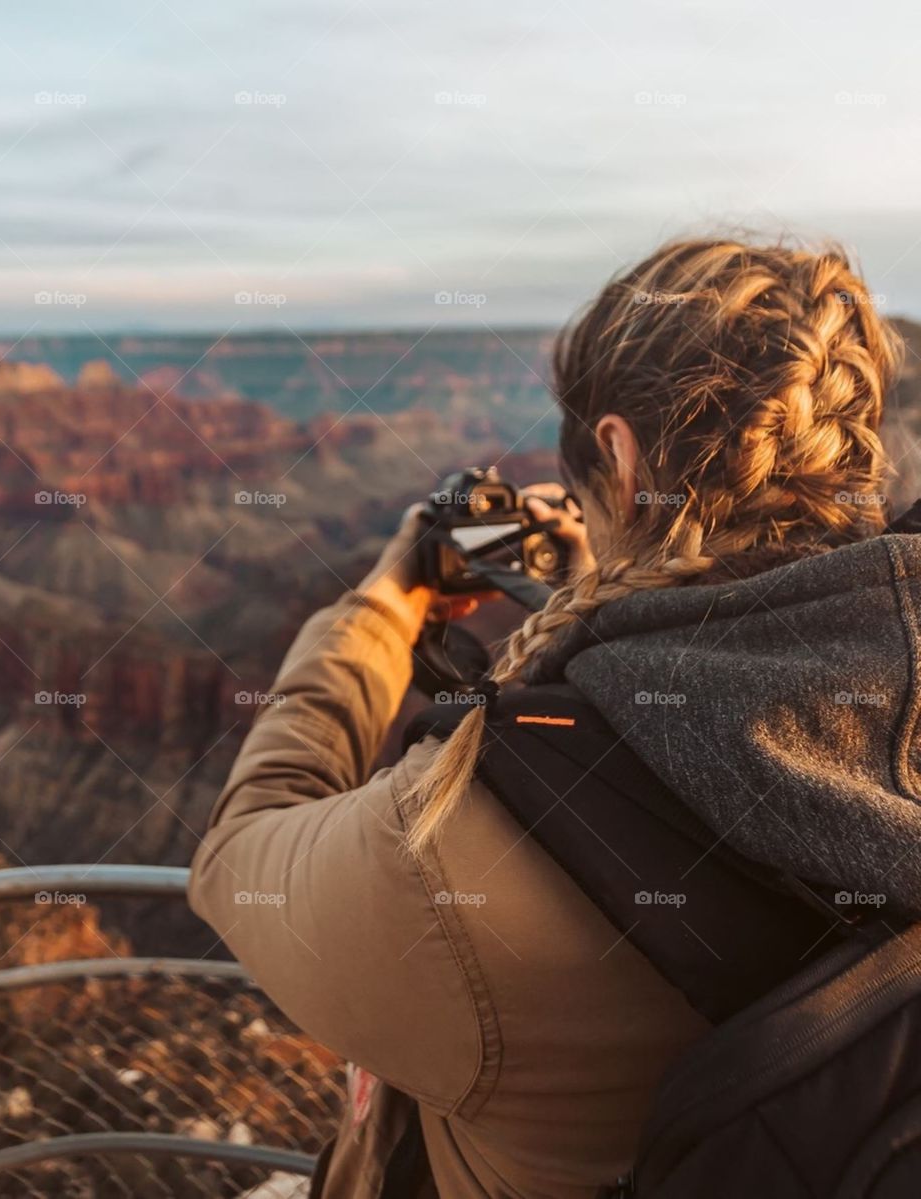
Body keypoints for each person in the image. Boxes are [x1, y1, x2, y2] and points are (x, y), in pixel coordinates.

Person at [188, 236, 907, 1198]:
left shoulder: (463, 849)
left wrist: (383, 603)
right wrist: (607, 593)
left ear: (615, 453)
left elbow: (241, 855)